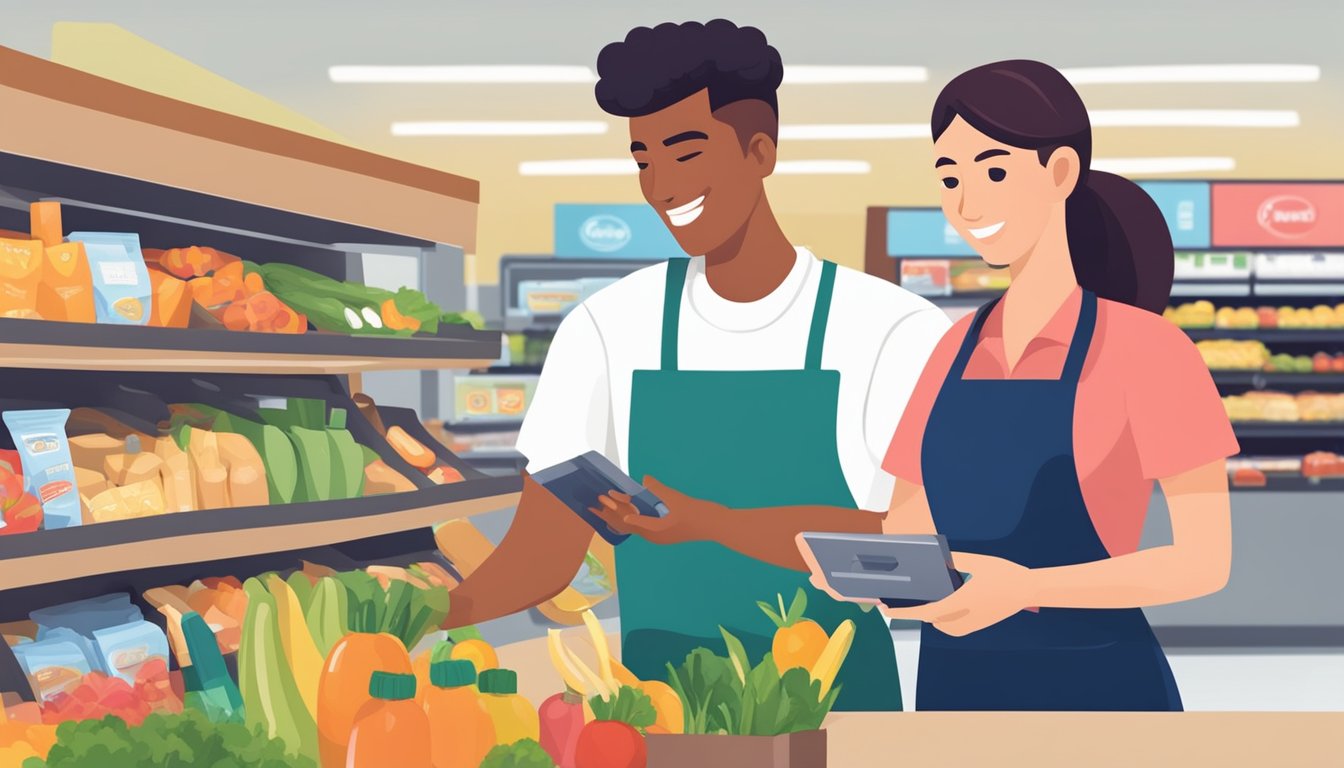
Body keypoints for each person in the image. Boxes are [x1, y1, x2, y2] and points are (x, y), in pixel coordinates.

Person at [596, 60, 1236, 712]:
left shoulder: (1148, 350)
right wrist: (870, 575)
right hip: (955, 685)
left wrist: (1026, 588)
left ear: (1061, 173)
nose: (966, 202)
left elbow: (1203, 561)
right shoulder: (952, 348)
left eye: (993, 171)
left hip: (1099, 690)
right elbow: (908, 526)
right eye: (949, 177)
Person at [443, 20, 948, 711]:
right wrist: (418, 614)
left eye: (686, 153)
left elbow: (911, 554)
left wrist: (711, 522)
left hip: (841, 714)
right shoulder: (608, 326)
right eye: (644, 160)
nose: (663, 186)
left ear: (760, 151)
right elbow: (545, 550)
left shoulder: (889, 328)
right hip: (658, 714)